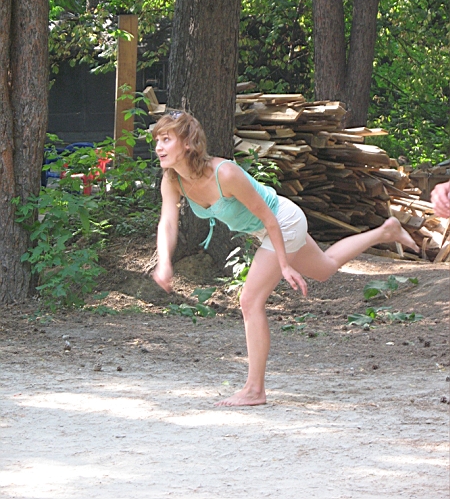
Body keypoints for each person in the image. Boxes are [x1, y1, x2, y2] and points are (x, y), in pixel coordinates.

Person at [151, 111, 419, 407]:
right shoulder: (172, 181)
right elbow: (168, 223)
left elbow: (268, 218)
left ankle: (254, 390)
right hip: (269, 229)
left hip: (282, 221)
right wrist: (164, 262)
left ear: (188, 143)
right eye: (157, 140)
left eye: (166, 139)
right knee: (325, 268)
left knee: (249, 301)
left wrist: (284, 264)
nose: (159, 147)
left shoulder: (224, 173)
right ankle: (385, 231)